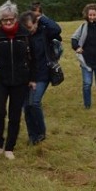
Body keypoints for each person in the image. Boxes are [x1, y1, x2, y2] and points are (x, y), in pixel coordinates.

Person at [0, 0, 36, 160]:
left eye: (11, 18)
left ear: (16, 18)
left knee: (15, 115)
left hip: (20, 81)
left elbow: (33, 58)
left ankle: (10, 147)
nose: (8, 22)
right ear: (0, 20)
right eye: (5, 19)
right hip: (0, 80)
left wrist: (32, 78)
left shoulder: (25, 34)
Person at [20, 8, 62, 145]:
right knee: (26, 106)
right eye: (25, 27)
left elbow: (57, 29)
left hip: (43, 74)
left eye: (30, 27)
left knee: (35, 102)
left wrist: (42, 17)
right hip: (26, 75)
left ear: (36, 23)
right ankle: (32, 136)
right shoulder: (22, 36)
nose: (28, 30)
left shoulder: (45, 31)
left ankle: (41, 132)